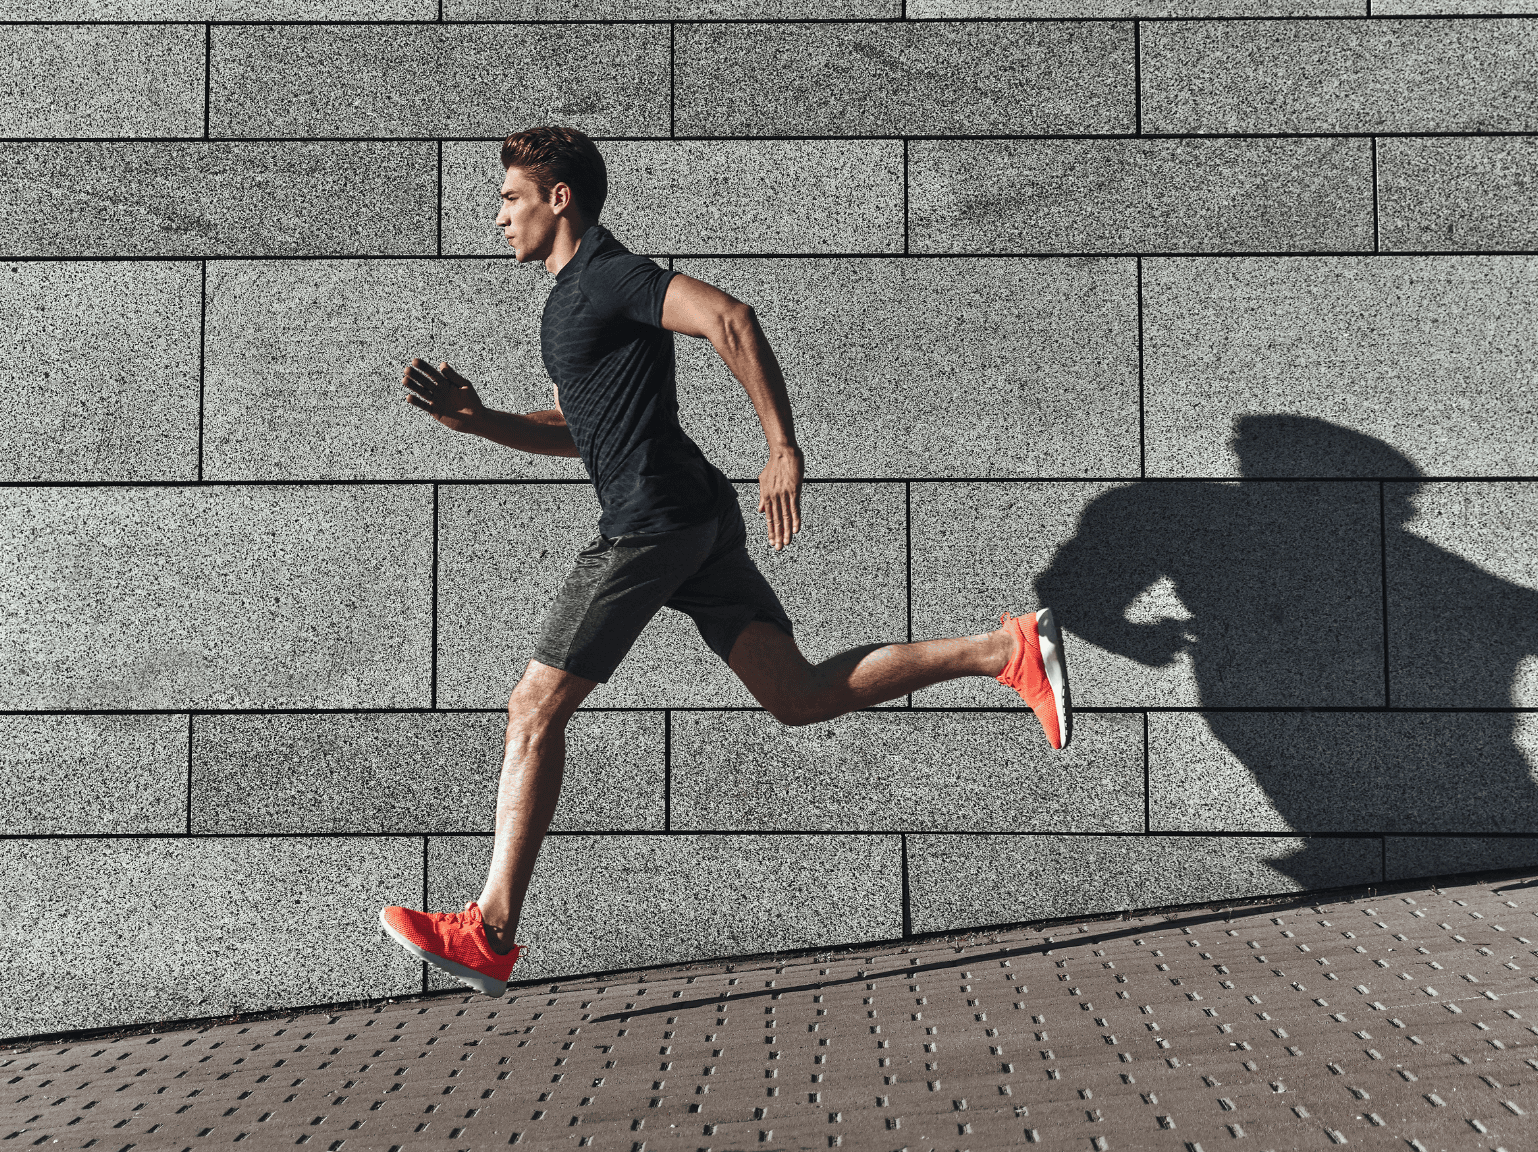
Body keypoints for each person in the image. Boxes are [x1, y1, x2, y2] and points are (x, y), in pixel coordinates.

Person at [377, 125, 1070, 997]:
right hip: (691, 515)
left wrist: (781, 445)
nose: (498, 216)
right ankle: (1003, 650)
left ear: (560, 199)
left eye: (511, 198)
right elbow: (576, 430)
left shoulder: (609, 273)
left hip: (651, 522)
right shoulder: (567, 303)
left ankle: (489, 930)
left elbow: (728, 317)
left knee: (533, 704)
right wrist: (480, 422)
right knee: (798, 694)